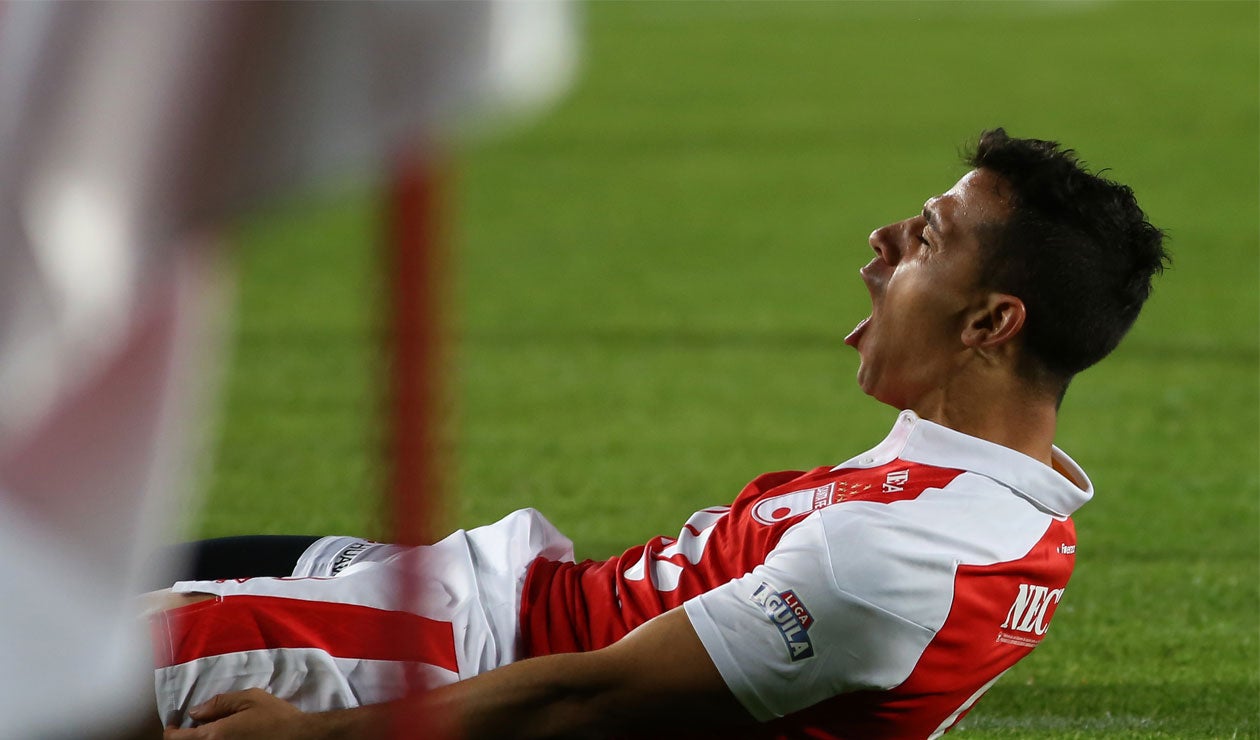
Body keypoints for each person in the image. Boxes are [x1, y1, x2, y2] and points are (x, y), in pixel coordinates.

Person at [152, 129, 1168, 739]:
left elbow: (586, 702)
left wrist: (320, 736)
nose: (885, 243)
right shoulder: (1001, 501)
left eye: (928, 239)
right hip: (491, 594)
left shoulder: (897, 556)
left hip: (449, 664)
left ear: (992, 322)